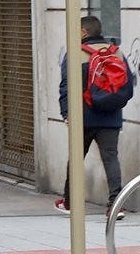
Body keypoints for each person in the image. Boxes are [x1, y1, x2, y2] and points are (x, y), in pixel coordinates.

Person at [56, 15, 133, 218]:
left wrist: (66, 113)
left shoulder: (75, 53)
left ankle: (70, 202)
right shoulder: (117, 52)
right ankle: (116, 205)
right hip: (111, 116)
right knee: (111, 159)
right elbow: (127, 86)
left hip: (83, 116)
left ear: (83, 32)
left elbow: (66, 86)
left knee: (76, 158)